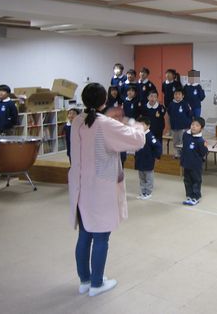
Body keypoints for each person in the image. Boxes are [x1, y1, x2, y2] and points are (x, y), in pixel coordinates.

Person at [68, 83, 145, 297]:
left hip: (80, 185)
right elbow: (138, 140)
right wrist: (132, 123)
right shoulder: (104, 124)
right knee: (101, 236)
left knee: (85, 234)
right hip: (100, 187)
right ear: (104, 101)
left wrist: (112, 121)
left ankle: (85, 280)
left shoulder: (77, 120)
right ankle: (96, 284)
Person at [181, 117, 208, 206]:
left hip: (195, 165)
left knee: (196, 181)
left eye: (197, 125)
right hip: (186, 163)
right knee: (187, 180)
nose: (194, 127)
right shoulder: (186, 134)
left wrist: (205, 147)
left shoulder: (200, 140)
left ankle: (196, 197)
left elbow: (203, 153)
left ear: (201, 128)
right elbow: (184, 148)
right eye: (192, 124)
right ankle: (189, 195)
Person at [134, 116, 162, 200]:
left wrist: (157, 156)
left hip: (148, 160)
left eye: (143, 125)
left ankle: (148, 192)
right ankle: (143, 192)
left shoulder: (150, 136)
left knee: (148, 177)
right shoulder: (138, 135)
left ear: (148, 126)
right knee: (141, 177)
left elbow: (158, 146)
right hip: (140, 159)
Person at [168, 89, 192, 159]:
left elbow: (190, 115)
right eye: (175, 94)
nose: (177, 96)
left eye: (179, 94)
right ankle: (177, 154)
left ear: (183, 96)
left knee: (182, 141)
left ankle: (184, 154)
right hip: (174, 127)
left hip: (184, 127)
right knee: (175, 141)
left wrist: (189, 126)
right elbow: (169, 114)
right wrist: (170, 126)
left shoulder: (185, 104)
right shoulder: (171, 104)